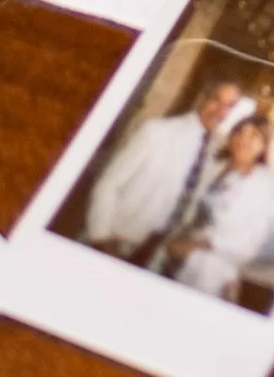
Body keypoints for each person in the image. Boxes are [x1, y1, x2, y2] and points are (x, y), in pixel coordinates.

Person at [83, 81, 243, 259]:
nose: (220, 111)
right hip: (116, 241)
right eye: (216, 100)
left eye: (229, 106)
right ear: (203, 98)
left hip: (154, 253)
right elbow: (109, 184)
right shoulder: (158, 131)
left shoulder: (213, 153)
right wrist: (101, 237)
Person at [161, 116, 274, 304]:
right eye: (240, 132)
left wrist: (194, 245)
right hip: (174, 253)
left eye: (254, 135)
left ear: (264, 146)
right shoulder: (216, 166)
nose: (244, 139)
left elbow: (250, 243)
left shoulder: (262, 184)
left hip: (210, 270)